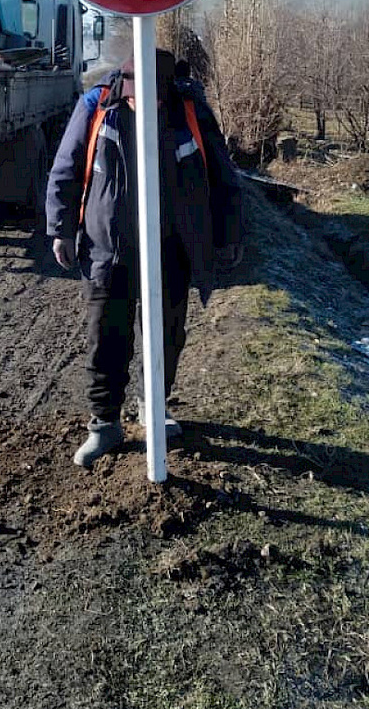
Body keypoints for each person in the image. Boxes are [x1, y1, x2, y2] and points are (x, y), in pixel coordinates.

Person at [46, 48, 244, 468]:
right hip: (107, 248)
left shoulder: (188, 110)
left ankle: (153, 407)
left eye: (154, 97)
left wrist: (227, 235)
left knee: (167, 336)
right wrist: (60, 229)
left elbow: (223, 175)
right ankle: (104, 425)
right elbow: (67, 165)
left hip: (171, 249)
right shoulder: (97, 105)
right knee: (106, 339)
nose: (146, 104)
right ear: (125, 87)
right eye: (138, 96)